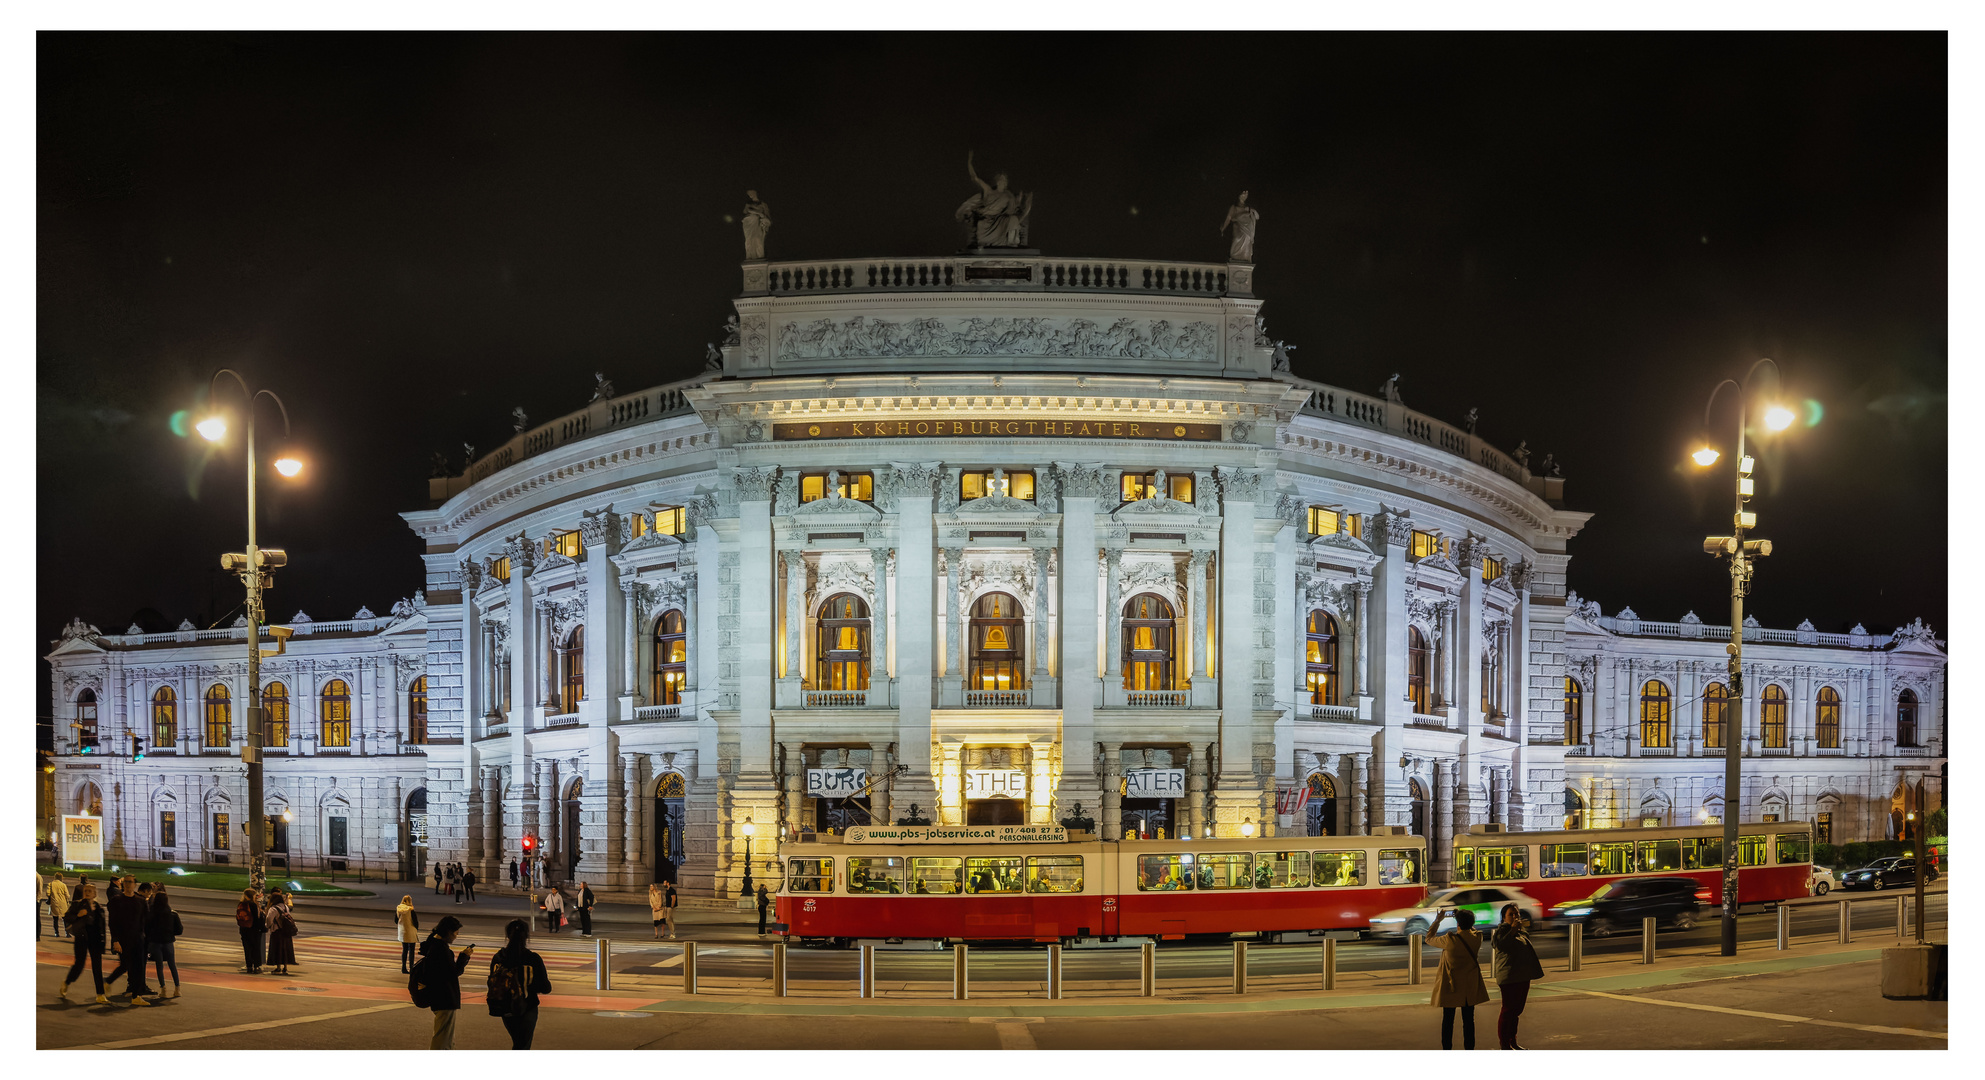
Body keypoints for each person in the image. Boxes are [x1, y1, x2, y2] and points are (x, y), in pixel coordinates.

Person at [487, 918, 554, 1050]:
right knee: (523, 1044)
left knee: (518, 1041)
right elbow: (546, 988)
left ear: (507, 936)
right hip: (527, 1007)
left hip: (504, 1007)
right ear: (527, 936)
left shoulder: (499, 958)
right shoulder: (532, 959)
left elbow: (492, 981)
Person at [1430, 907, 1490, 1049]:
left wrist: (1438, 920)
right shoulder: (1477, 938)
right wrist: (1463, 918)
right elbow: (1470, 929)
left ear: (1457, 924)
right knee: (1469, 1021)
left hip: (1451, 987)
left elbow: (1429, 938)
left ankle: (1447, 1049)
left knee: (1448, 1021)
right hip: (1469, 988)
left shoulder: (1449, 940)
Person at [1490, 904, 1546, 1050]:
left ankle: (1512, 1042)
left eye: (1517, 914)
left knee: (1516, 1011)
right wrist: (1514, 929)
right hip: (1509, 977)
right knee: (1508, 1010)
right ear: (1504, 917)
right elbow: (1501, 945)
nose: (1515, 917)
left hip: (1522, 976)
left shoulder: (1521, 932)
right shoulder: (1502, 931)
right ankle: (1504, 1045)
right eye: (1511, 914)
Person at [415, 915, 474, 1050]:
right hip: (444, 997)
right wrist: (464, 957)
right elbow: (452, 973)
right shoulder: (441, 950)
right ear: (448, 931)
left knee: (445, 1035)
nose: (456, 936)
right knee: (443, 1036)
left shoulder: (433, 945)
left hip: (439, 997)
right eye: (455, 933)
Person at [104, 876, 156, 1001]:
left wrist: (147, 938)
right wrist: (115, 940)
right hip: (123, 939)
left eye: (130, 882)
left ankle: (136, 996)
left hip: (138, 939)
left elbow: (146, 921)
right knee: (126, 965)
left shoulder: (141, 901)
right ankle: (108, 981)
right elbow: (113, 922)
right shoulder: (116, 900)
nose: (127, 884)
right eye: (125, 882)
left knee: (139, 967)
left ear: (134, 885)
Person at [59, 882, 109, 1004]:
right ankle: (67, 982)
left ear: (95, 893)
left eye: (89, 891)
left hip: (95, 940)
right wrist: (78, 915)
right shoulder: (77, 905)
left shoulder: (98, 907)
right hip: (82, 938)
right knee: (79, 964)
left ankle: (100, 994)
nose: (87, 892)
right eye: (85, 890)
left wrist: (103, 944)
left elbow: (102, 927)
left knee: (97, 967)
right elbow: (66, 917)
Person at [146, 884, 183, 998]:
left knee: (159, 966)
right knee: (172, 965)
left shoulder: (152, 913)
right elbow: (179, 930)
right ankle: (177, 988)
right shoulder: (172, 913)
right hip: (168, 941)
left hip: (156, 942)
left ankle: (163, 989)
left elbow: (147, 927)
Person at [266, 891, 299, 976]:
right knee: (285, 950)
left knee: (277, 950)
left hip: (277, 932)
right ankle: (285, 967)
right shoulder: (286, 907)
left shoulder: (273, 909)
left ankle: (278, 967)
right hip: (286, 932)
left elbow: (269, 920)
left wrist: (268, 926)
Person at [236, 887, 265, 973]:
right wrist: (261, 928)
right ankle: (256, 966)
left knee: (247, 949)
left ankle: (249, 966)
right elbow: (256, 918)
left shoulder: (241, 904)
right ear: (252, 896)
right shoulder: (253, 904)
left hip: (244, 929)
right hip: (254, 929)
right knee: (256, 948)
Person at [396, 894, 422, 973]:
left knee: (404, 950)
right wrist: (416, 929)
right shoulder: (411, 910)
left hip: (402, 932)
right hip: (411, 932)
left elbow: (395, 920)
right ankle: (411, 968)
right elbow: (415, 921)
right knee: (411, 951)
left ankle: (403, 967)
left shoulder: (399, 909)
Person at [46, 871, 70, 938]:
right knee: (65, 919)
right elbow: (67, 895)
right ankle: (67, 933)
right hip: (63, 903)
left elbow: (48, 893)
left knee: (55, 919)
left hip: (54, 902)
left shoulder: (50, 884)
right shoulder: (63, 885)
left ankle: (57, 933)